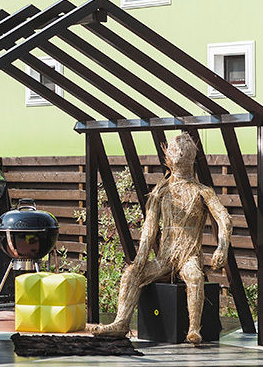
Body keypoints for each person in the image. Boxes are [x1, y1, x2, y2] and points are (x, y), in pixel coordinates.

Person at [90, 131, 231, 344]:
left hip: (188, 255)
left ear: (193, 155)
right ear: (168, 155)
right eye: (175, 149)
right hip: (164, 257)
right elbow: (149, 227)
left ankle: (194, 329)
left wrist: (222, 247)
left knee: (194, 277)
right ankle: (121, 322)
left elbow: (224, 219)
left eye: (184, 149)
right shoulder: (161, 192)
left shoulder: (202, 192)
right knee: (131, 274)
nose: (180, 152)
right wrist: (141, 257)